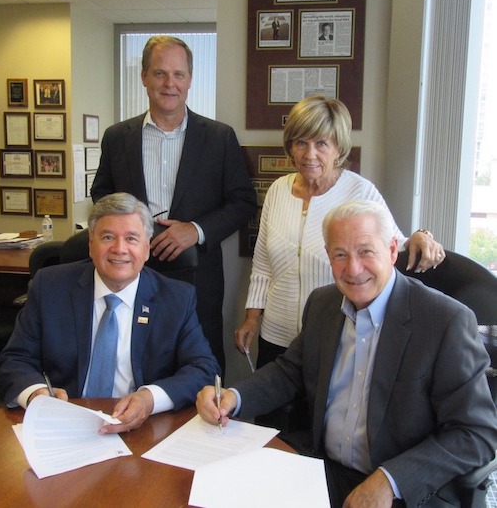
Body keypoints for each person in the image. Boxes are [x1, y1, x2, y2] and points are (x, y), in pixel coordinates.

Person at [197, 200, 497, 508]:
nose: (353, 269)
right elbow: (290, 371)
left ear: (393, 250)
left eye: (366, 251)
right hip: (322, 471)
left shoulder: (445, 321)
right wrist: (234, 396)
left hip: (405, 489)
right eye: (340, 254)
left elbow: (476, 433)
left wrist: (390, 479)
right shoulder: (323, 304)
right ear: (328, 256)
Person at [235, 96, 445, 371]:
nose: (310, 154)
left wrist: (421, 235)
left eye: (321, 143)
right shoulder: (277, 191)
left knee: (324, 412)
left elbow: (394, 244)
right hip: (276, 335)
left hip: (335, 335)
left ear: (338, 148)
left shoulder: (359, 192)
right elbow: (262, 262)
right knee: (269, 409)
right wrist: (252, 318)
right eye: (301, 143)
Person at [90, 36, 257, 373]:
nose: (170, 84)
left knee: (200, 364)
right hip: (132, 269)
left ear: (190, 79)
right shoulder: (117, 137)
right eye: (160, 73)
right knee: (134, 360)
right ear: (144, 77)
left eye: (179, 75)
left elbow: (243, 202)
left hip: (198, 275)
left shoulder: (218, 137)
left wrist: (194, 231)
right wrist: (132, 229)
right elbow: (101, 195)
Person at [0, 192, 220, 434]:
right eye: (108, 237)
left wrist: (149, 399)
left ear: (147, 248)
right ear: (91, 244)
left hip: (140, 430)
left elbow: (202, 368)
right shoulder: (50, 286)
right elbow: (15, 359)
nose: (119, 249)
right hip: (63, 424)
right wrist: (36, 394)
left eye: (132, 239)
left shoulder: (176, 298)